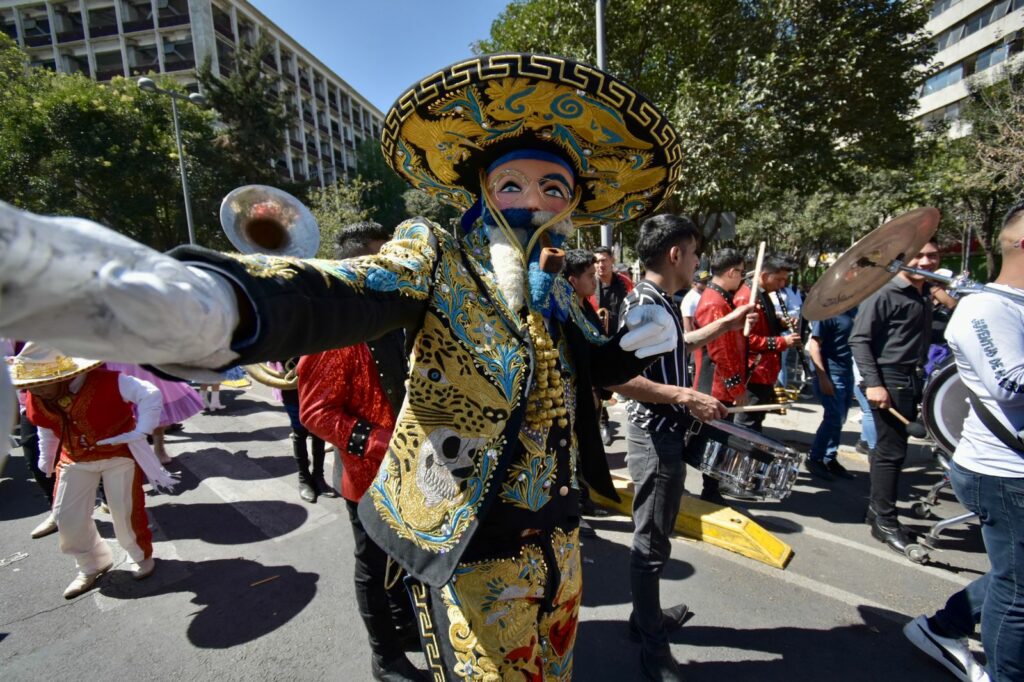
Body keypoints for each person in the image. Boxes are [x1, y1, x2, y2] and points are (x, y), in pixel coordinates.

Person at [0, 53, 683, 680]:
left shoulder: (559, 285)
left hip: (562, 536)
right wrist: (215, 304)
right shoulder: (435, 255)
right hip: (476, 540)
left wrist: (633, 345)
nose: (532, 200)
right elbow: (348, 290)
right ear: (480, 187)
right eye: (512, 183)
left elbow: (593, 367)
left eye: (552, 187)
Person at [612, 215, 756, 681]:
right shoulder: (645, 305)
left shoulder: (662, 303)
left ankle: (644, 618)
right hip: (653, 437)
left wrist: (727, 324)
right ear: (675, 254)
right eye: (694, 253)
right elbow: (619, 378)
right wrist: (686, 396)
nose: (699, 261)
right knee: (650, 544)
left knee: (658, 535)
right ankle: (653, 651)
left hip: (666, 433)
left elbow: (676, 345)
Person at [904, 206, 1024, 682]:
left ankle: (946, 624)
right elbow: (1010, 386)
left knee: (1014, 575)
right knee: (1017, 590)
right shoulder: (985, 308)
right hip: (1003, 471)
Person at [298, 221, 422, 681]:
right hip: (366, 474)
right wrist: (382, 442)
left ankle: (405, 625)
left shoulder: (396, 314)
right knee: (372, 566)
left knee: (405, 558)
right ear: (361, 266)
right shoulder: (336, 330)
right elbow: (314, 412)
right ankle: (383, 657)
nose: (396, 267)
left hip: (411, 469)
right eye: (383, 257)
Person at [8, 343, 175, 598]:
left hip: (117, 454)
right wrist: (47, 457)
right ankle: (91, 564)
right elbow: (45, 426)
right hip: (73, 458)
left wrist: (142, 430)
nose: (35, 388)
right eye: (30, 383)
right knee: (66, 515)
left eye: (42, 381)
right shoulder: (36, 395)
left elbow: (150, 393)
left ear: (63, 375)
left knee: (124, 509)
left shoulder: (110, 381)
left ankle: (140, 556)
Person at [849, 239, 940, 553]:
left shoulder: (925, 292)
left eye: (932, 255)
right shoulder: (884, 293)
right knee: (891, 453)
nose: (927, 261)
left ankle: (878, 512)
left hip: (911, 377)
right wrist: (874, 384)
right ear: (904, 260)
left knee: (894, 450)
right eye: (920, 255)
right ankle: (885, 521)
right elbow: (859, 340)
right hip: (889, 378)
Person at [732, 255, 801, 433]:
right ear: (764, 276)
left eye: (785, 280)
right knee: (746, 423)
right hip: (753, 372)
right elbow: (746, 340)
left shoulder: (762, 294)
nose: (782, 285)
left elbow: (763, 327)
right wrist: (782, 341)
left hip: (764, 371)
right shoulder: (747, 298)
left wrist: (781, 324)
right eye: (779, 279)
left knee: (756, 420)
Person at [104, 362, 204, 464]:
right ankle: (128, 451)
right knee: (119, 410)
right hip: (116, 361)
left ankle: (159, 449)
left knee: (156, 404)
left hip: (141, 363)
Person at [805, 309, 857, 480]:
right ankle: (815, 458)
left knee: (840, 418)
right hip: (831, 373)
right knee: (833, 417)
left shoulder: (854, 310)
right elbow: (814, 345)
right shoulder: (827, 312)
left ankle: (829, 458)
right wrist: (822, 377)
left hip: (846, 371)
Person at [590, 245, 635, 336]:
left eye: (604, 260)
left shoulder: (625, 282)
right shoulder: (588, 284)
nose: (601, 265)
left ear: (612, 260)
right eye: (597, 261)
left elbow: (634, 306)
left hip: (622, 335)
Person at [772, 282, 804, 389]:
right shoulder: (763, 291)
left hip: (783, 332)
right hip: (767, 332)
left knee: (780, 363)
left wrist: (779, 316)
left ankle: (781, 395)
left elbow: (795, 311)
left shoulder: (787, 292)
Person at [680, 269, 709, 335]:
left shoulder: (702, 295)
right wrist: (693, 343)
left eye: (708, 281)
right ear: (694, 283)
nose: (707, 284)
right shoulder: (690, 299)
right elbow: (688, 323)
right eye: (704, 282)